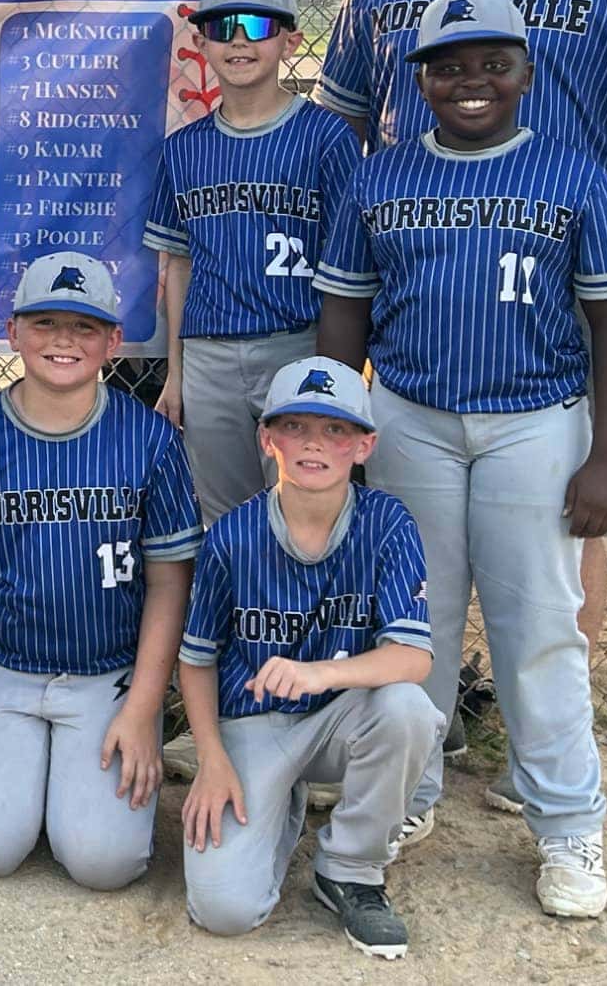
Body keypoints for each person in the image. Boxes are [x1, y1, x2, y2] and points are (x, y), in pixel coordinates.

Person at [316, 0, 607, 780]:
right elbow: (338, 127)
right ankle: (412, 771)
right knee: (412, 577)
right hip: (419, 295)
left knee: (549, 565)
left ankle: (550, 774)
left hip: (570, 282)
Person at [316, 0, 607, 918]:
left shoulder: (574, 171)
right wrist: (339, 429)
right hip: (413, 413)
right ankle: (410, 796)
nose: (472, 81)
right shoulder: (380, 176)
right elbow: (344, 314)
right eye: (449, 66)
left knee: (538, 629)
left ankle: (569, 823)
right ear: (418, 80)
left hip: (536, 421)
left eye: (493, 63)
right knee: (416, 620)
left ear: (525, 72)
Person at [0, 252, 201, 890]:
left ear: (113, 340)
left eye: (83, 327)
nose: (63, 341)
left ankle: (67, 792)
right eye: (45, 322)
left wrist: (143, 706)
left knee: (104, 865)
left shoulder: (151, 440)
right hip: (1, 668)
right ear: (12, 331)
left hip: (107, 676)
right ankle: (34, 779)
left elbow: (170, 583)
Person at [180, 357, 439, 959]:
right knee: (224, 911)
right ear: (267, 438)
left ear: (364, 445)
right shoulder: (233, 535)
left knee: (408, 711)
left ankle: (350, 869)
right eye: (294, 426)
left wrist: (319, 674)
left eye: (335, 429)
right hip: (252, 724)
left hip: (341, 722)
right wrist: (211, 758)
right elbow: (195, 660)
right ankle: (277, 803)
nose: (314, 443)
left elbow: (411, 658)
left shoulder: (387, 523)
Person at [146, 0, 360, 522]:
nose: (239, 41)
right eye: (223, 28)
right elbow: (180, 265)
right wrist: (176, 370)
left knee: (305, 508)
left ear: (291, 40)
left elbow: (351, 263)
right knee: (224, 517)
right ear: (201, 42)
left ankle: (301, 613)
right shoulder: (184, 148)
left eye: (258, 27)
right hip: (209, 355)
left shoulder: (325, 135)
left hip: (298, 343)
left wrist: (344, 364)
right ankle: (243, 615)